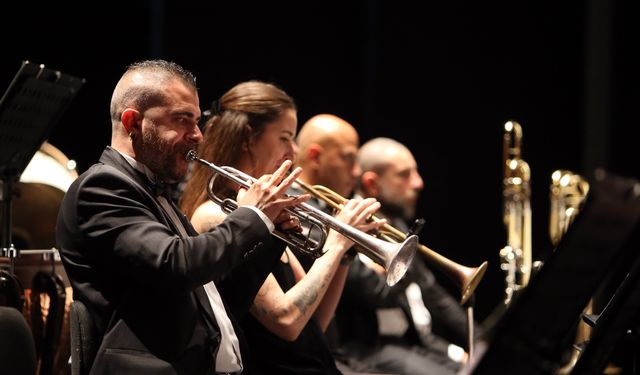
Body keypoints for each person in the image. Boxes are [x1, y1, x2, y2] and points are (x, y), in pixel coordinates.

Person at [56, 60, 307, 375]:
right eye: (182, 120)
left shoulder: (155, 192)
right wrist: (252, 215)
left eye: (197, 121)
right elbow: (176, 264)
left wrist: (270, 232)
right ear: (133, 122)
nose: (198, 136)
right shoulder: (102, 187)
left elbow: (221, 300)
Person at [180, 81, 385, 375]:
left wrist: (346, 253)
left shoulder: (268, 215)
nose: (294, 150)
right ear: (248, 139)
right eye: (285, 138)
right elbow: (286, 321)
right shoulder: (216, 215)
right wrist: (338, 240)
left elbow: (314, 323)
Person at [340, 136, 476, 375]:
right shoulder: (349, 224)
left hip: (416, 341)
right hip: (370, 347)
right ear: (372, 183)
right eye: (404, 175)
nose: (418, 183)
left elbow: (433, 291)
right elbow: (378, 293)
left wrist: (478, 341)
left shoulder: (398, 225)